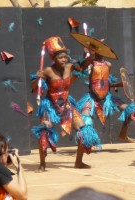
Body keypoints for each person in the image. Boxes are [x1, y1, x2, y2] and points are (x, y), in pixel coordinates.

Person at [31, 36, 101, 172]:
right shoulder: (47, 71)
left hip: (67, 105)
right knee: (44, 131)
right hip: (50, 106)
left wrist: (91, 55)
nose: (64, 60)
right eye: (60, 58)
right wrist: (37, 78)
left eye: (65, 57)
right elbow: (35, 87)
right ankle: (42, 164)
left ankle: (79, 162)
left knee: (84, 129)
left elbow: (82, 66)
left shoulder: (70, 66)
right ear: (54, 59)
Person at [75, 36, 135, 143]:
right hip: (92, 98)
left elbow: (106, 83)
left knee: (130, 110)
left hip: (108, 98)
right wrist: (89, 55)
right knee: (86, 120)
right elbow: (81, 67)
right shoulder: (91, 63)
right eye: (97, 48)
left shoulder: (108, 64)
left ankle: (123, 134)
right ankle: (86, 143)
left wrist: (119, 84)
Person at [0, 132, 27, 200]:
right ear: (0, 153)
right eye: (7, 152)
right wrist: (18, 164)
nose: (8, 155)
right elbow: (22, 196)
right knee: (9, 196)